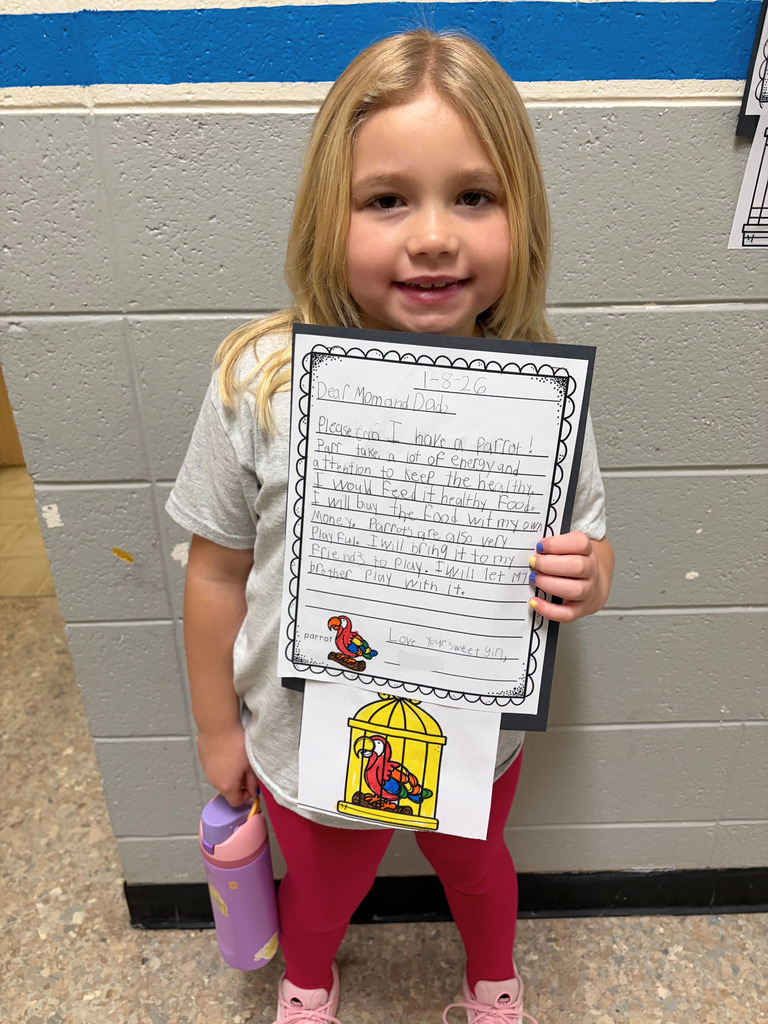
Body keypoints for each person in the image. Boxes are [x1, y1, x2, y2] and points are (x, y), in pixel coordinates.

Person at [167, 29, 614, 1024]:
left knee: (479, 868)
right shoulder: (262, 383)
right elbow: (215, 569)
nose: (433, 236)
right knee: (323, 892)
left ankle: (493, 977)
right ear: (330, 214)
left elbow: (587, 538)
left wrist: (591, 575)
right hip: (303, 736)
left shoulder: (538, 396)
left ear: (521, 216)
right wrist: (213, 727)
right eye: (386, 200)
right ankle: (307, 978)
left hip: (474, 733)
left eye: (473, 196)